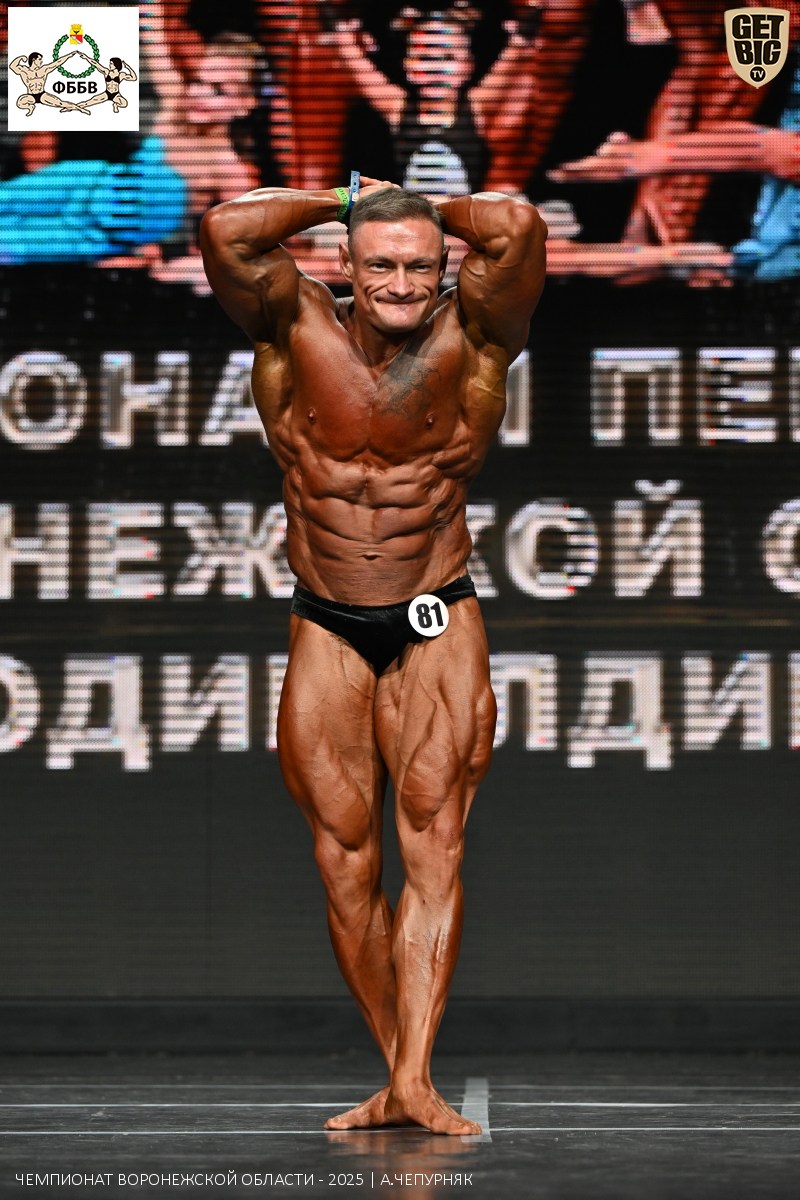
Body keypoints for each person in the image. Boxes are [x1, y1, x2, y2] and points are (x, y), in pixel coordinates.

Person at [200, 178, 545, 1133]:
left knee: (435, 846)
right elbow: (227, 229)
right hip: (327, 621)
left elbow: (515, 224)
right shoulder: (290, 320)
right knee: (344, 862)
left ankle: (418, 1077)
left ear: (443, 269)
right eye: (381, 263)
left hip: (436, 613)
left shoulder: (476, 332)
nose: (401, 283)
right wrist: (349, 196)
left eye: (420, 266)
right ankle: (397, 1073)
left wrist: (414, 202)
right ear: (344, 264)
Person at [9, 50, 89, 117]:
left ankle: (80, 109)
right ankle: (30, 107)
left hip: (42, 95)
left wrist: (69, 55)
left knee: (60, 103)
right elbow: (12, 66)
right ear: (34, 60)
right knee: (20, 103)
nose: (41, 61)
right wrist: (21, 57)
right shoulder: (24, 71)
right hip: (31, 95)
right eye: (39, 59)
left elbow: (57, 63)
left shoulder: (43, 69)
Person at [73, 53, 137, 113]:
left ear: (116, 64)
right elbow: (96, 64)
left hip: (116, 95)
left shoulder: (121, 75)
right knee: (88, 103)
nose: (110, 65)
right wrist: (86, 58)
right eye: (110, 63)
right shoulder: (107, 72)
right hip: (107, 93)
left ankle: (115, 105)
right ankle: (72, 107)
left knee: (124, 104)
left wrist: (128, 67)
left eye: (111, 64)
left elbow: (134, 78)